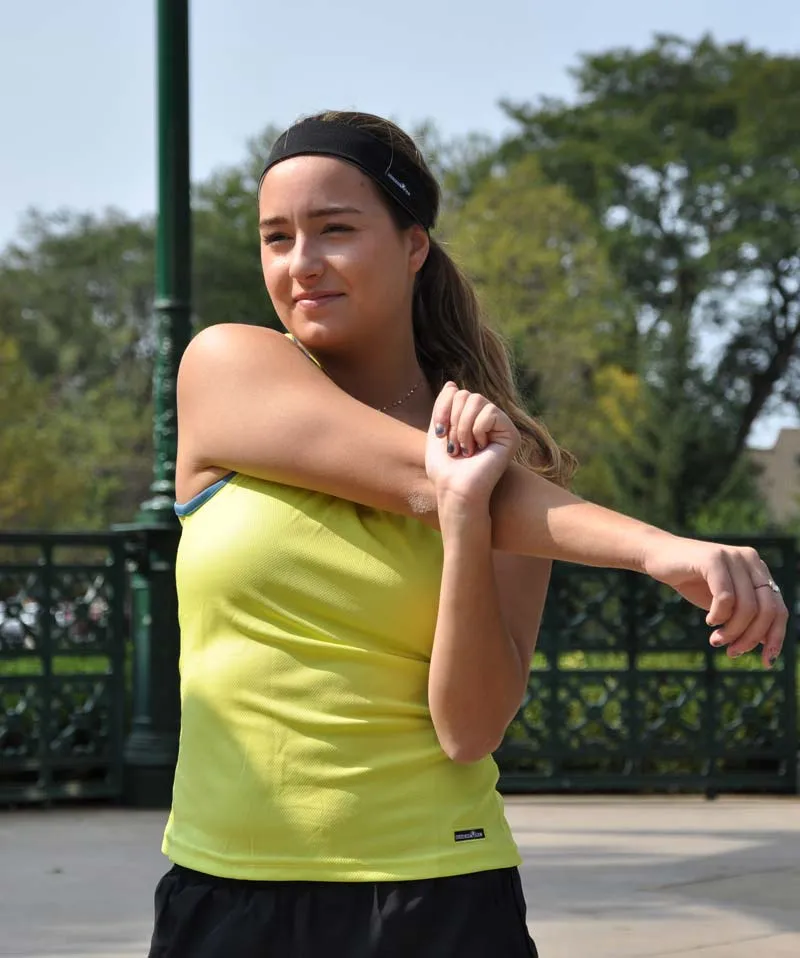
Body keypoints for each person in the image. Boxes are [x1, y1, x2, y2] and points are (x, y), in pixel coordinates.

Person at [147, 111, 788, 958]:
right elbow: (414, 473)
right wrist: (659, 549)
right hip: (224, 897)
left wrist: (464, 520)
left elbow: (467, 730)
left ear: (414, 245)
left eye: (336, 229)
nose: (301, 264)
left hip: (440, 899)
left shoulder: (515, 482)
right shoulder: (228, 367)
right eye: (277, 238)